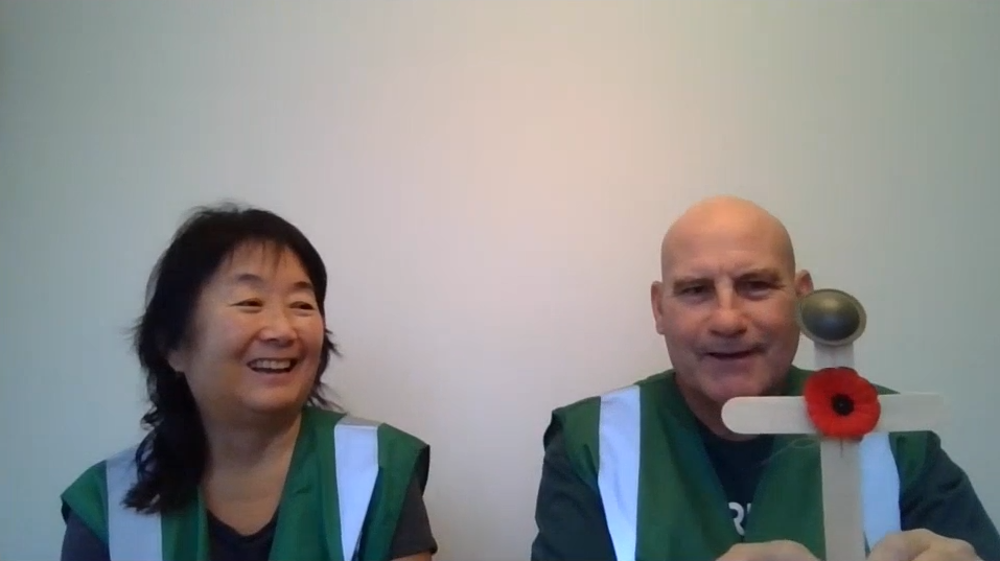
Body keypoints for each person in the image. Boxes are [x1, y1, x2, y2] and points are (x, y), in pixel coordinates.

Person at [530, 196, 1000, 561]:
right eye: (696, 291)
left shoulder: (895, 437)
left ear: (802, 298)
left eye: (756, 285)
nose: (728, 319)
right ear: (659, 309)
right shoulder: (593, 444)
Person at [59, 203, 437, 561]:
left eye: (302, 305)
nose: (283, 330)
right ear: (172, 345)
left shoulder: (377, 468)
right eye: (249, 303)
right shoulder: (106, 504)